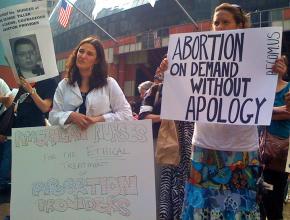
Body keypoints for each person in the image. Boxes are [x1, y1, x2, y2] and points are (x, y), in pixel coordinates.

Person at [158, 3, 287, 219]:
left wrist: (276, 74)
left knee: (237, 207)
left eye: (225, 22)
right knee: (202, 206)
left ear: (240, 25)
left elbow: (260, 102)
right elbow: (183, 98)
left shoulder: (258, 56)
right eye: (216, 22)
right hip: (204, 146)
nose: (219, 26)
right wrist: (169, 73)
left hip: (241, 149)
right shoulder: (199, 55)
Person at [139, 72, 194, 219]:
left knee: (181, 183)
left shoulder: (190, 90)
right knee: (159, 184)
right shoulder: (155, 90)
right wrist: (167, 116)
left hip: (185, 145)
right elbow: (143, 117)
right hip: (160, 144)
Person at [49, 36, 132, 128]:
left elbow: (126, 115)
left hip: (102, 140)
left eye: (89, 54)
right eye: (81, 51)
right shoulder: (64, 85)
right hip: (71, 141)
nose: (83, 56)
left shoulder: (109, 84)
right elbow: (52, 117)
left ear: (97, 60)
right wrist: (70, 116)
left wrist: (98, 119)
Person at [260, 55, 290, 220]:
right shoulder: (261, 88)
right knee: (261, 201)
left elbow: (287, 112)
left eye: (280, 61)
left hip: (279, 157)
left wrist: (265, 112)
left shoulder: (289, 88)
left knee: (275, 202)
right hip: (260, 155)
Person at [0, 78, 13, 190]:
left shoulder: (0, 82)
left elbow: (10, 103)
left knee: (6, 156)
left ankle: (2, 183)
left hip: (3, 128)